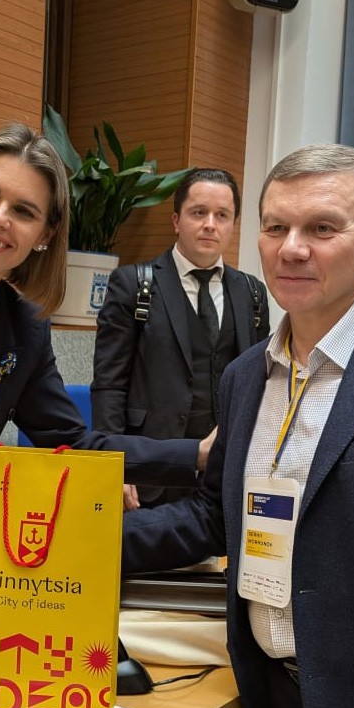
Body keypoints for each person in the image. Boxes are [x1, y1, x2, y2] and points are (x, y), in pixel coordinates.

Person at [122, 143, 354, 708]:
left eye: (322, 228)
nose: (291, 248)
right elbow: (213, 517)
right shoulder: (245, 376)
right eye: (275, 228)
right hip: (272, 697)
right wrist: (80, 534)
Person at [0, 123, 213, 611]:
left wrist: (196, 456)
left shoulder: (25, 328)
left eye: (23, 211)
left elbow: (74, 445)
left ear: (45, 235)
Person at [92, 168, 270, 509]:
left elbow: (259, 383)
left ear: (234, 224)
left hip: (224, 474)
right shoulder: (133, 285)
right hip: (151, 472)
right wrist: (115, 465)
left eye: (222, 215)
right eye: (198, 213)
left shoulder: (252, 292)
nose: (210, 224)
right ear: (176, 220)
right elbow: (109, 385)